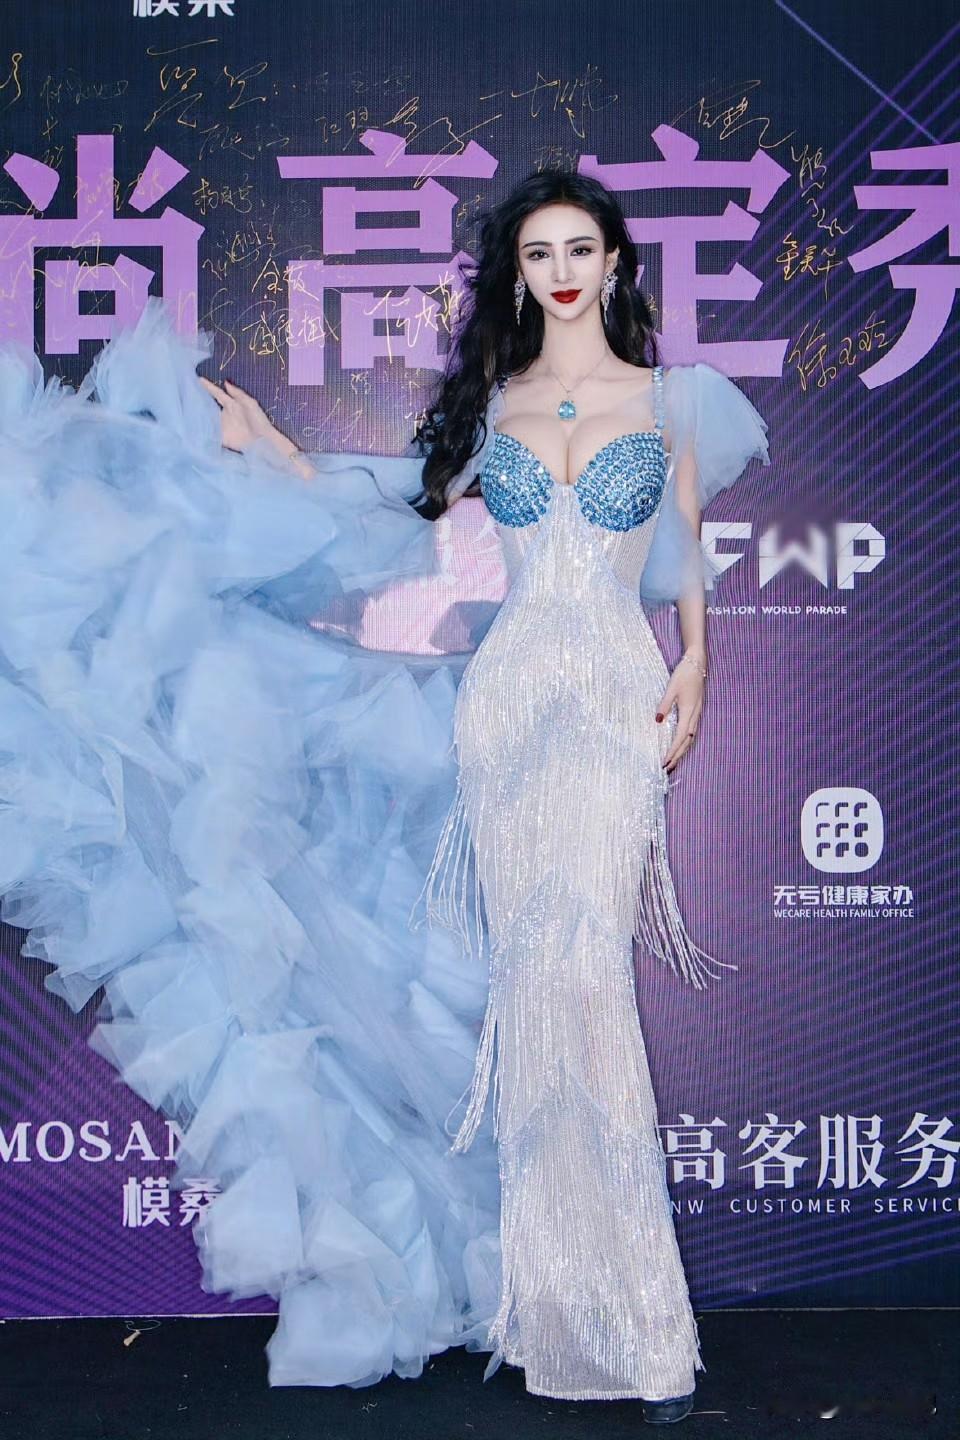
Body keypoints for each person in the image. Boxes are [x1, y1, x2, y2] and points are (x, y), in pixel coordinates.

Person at [0, 171, 768, 1424]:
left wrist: (696, 665)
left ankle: (635, 1317)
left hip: (609, 702)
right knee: (531, 994)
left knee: (587, 984)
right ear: (518, 274)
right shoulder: (498, 405)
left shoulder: (668, 400)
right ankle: (553, 1310)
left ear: (617, 263)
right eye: (539, 253)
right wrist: (279, 457)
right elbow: (400, 531)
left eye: (581, 249)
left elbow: (682, 557)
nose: (562, 271)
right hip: (505, 707)